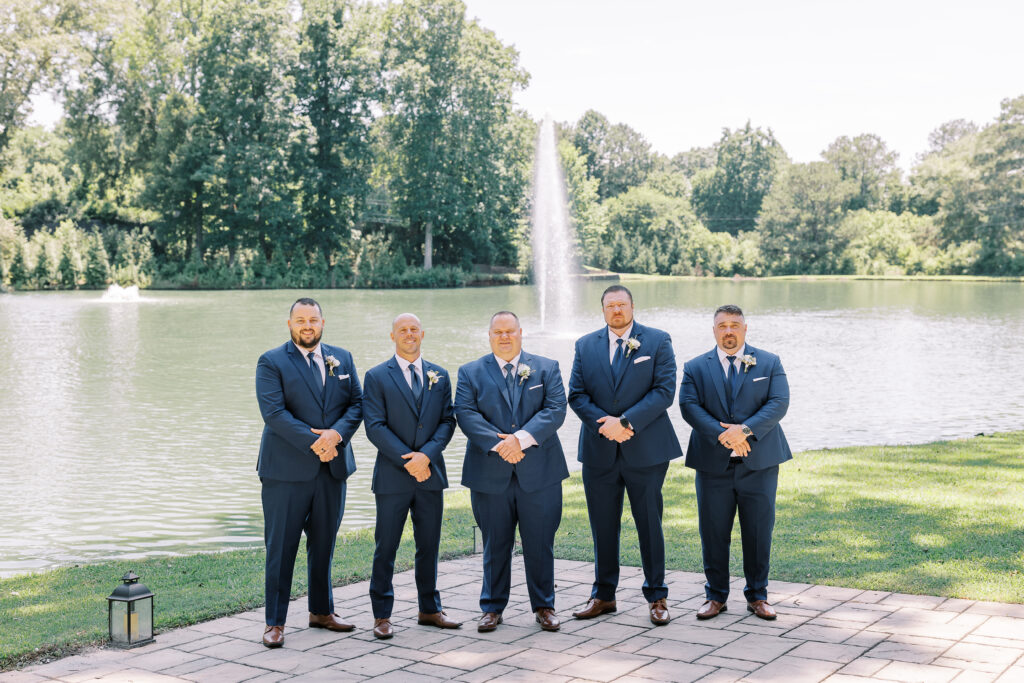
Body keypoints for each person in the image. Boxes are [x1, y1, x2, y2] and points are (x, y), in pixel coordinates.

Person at [567, 285, 682, 625]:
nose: (616, 310)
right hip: (599, 449)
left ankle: (657, 597)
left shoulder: (658, 340)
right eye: (610, 305)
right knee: (602, 525)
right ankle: (603, 595)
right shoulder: (585, 345)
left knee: (649, 522)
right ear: (602, 310)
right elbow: (577, 394)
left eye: (622, 304)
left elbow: (664, 391)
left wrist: (626, 422)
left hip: (646, 449)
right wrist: (605, 426)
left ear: (633, 306)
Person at [254, 297, 363, 648]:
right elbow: (274, 413)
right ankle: (275, 622)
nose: (307, 325)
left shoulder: (342, 358)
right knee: (281, 547)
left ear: (322, 322)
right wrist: (315, 442)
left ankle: (321, 611)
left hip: (332, 469)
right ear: (289, 324)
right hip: (285, 471)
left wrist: (336, 435)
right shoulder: (271, 361)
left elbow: (356, 404)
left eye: (313, 319)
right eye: (300, 319)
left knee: (324, 544)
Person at [454, 311, 568, 633]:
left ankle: (544, 606)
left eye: (510, 331)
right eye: (498, 332)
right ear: (489, 335)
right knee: (494, 543)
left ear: (521, 333)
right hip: (490, 473)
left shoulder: (547, 367)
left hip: (541, 473)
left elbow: (556, 409)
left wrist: (520, 439)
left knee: (541, 543)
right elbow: (465, 413)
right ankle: (491, 607)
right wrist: (500, 444)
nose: (504, 337)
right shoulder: (470, 372)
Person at [679, 304, 791, 621]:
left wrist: (744, 431)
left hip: (760, 463)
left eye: (735, 324)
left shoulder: (769, 362)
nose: (729, 330)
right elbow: (688, 405)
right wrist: (723, 435)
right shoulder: (695, 367)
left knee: (758, 531)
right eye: (722, 325)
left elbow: (779, 402)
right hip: (712, 464)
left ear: (745, 328)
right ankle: (715, 597)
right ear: (714, 330)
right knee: (713, 532)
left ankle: (758, 596)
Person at [362, 313, 461, 639]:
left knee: (429, 545)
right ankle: (382, 615)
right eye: (402, 330)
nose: (409, 334)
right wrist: (409, 460)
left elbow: (448, 421)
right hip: (393, 476)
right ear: (392, 336)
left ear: (423, 333)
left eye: (414, 329)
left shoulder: (440, 375)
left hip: (430, 474)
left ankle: (429, 609)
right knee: (386, 546)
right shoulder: (376, 376)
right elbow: (374, 426)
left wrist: (427, 456)